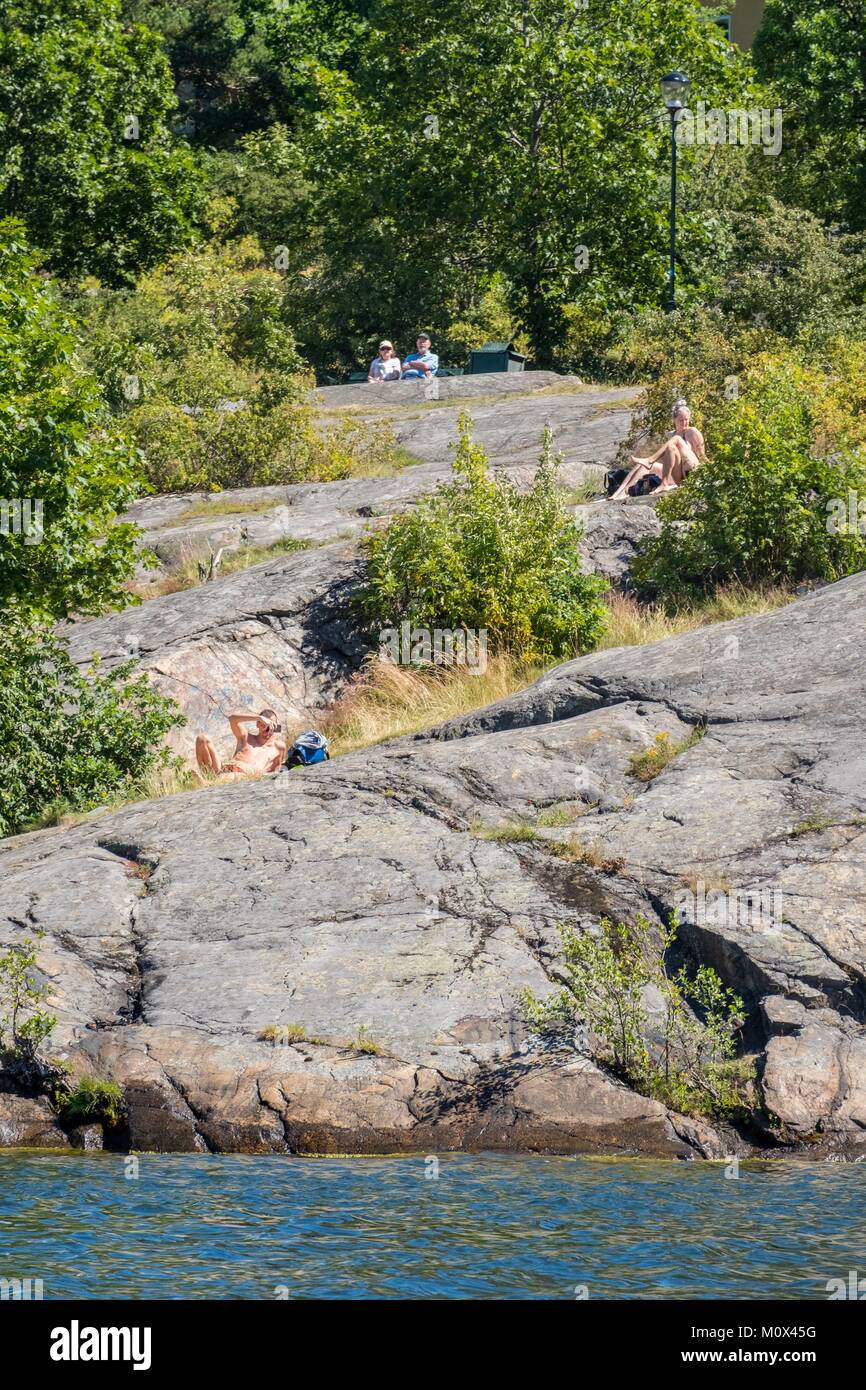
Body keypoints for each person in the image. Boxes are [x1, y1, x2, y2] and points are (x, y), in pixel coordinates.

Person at [609, 399, 706, 501]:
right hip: (679, 476)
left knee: (676, 440)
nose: (684, 422)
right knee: (642, 466)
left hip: (692, 470)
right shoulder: (670, 435)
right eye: (681, 420)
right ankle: (621, 492)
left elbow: (702, 457)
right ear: (674, 420)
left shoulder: (692, 432)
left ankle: (650, 460)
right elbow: (669, 461)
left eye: (686, 419)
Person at [195, 709, 287, 779]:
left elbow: (276, 771)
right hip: (224, 769)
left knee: (228, 777)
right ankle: (207, 778)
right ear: (257, 724)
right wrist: (258, 718)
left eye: (272, 726)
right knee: (202, 739)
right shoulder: (246, 737)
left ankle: (208, 782)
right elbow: (232, 719)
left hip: (242, 775)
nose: (268, 730)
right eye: (264, 725)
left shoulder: (278, 747)